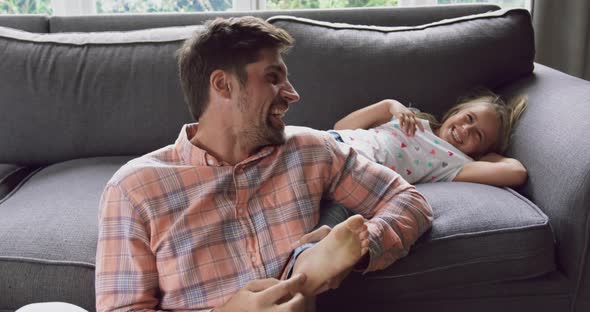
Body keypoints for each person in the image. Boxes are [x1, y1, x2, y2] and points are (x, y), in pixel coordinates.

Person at [94, 16, 433, 312]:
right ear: (223, 85)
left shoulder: (310, 150)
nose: (292, 94)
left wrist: (360, 249)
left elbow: (409, 201)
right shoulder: (134, 189)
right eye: (273, 78)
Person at [329, 90, 529, 187]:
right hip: (336, 145)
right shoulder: (411, 117)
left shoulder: (455, 163)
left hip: (355, 182)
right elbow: (341, 127)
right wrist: (388, 105)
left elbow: (516, 172)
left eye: (478, 135)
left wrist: (485, 157)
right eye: (468, 118)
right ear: (457, 111)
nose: (466, 129)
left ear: (480, 150)